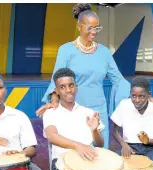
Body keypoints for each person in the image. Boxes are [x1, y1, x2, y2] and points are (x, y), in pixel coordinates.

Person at [43, 68, 127, 170]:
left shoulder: (88, 112)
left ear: (76, 86)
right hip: (63, 163)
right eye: (63, 86)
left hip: (90, 160)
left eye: (71, 85)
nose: (68, 90)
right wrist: (78, 146)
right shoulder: (51, 113)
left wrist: (94, 130)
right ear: (57, 90)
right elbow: (52, 136)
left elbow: (99, 143)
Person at [36, 3, 131, 149]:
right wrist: (54, 99)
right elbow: (57, 78)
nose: (94, 32)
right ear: (79, 26)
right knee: (75, 151)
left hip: (98, 110)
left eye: (97, 27)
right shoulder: (66, 50)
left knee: (99, 152)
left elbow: (118, 80)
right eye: (89, 27)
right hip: (72, 109)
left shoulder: (104, 52)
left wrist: (142, 95)